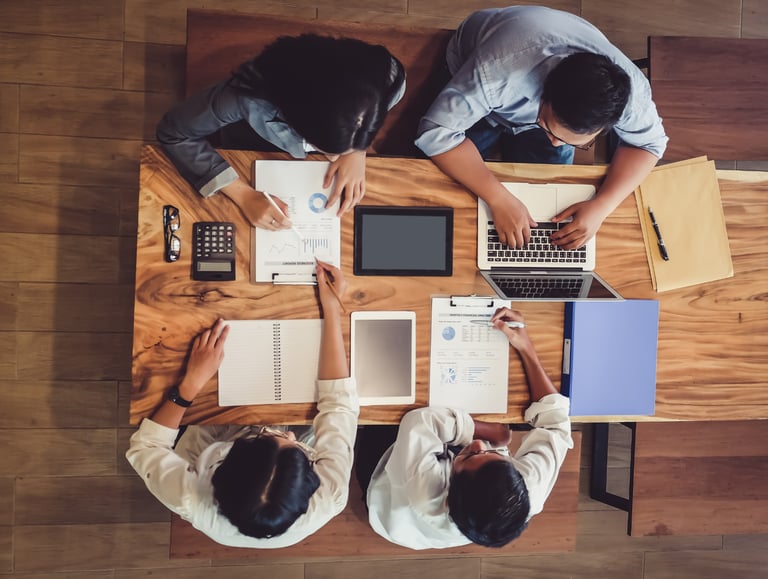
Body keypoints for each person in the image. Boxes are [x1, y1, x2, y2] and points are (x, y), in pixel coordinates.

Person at [125, 261, 358, 548]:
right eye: (292, 444)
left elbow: (145, 447)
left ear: (222, 468)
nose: (289, 434)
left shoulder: (189, 497)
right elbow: (338, 405)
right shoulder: (330, 496)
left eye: (269, 438)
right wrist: (332, 308)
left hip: (217, 433)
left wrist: (190, 385)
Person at [415, 6, 668, 251]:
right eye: (548, 128)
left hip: (523, 72)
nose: (555, 143)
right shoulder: (497, 71)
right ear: (542, 96)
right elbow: (435, 132)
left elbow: (650, 145)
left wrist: (603, 204)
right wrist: (498, 198)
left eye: (578, 142)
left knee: (549, 202)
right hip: (472, 65)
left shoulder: (630, 96)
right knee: (431, 184)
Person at [361, 308, 572, 550]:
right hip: (448, 495)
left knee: (383, 409)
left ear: (448, 495)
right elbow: (555, 422)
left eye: (471, 455)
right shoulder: (528, 489)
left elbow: (418, 421)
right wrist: (526, 348)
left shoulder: (425, 493)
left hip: (387, 498)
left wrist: (489, 432)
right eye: (490, 455)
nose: (479, 446)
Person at [157, 34, 406, 228]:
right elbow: (174, 132)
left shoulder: (388, 76)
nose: (333, 158)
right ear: (296, 118)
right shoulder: (245, 98)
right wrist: (243, 196)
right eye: (326, 149)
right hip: (250, 143)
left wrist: (356, 151)